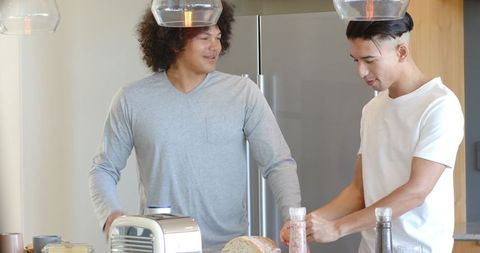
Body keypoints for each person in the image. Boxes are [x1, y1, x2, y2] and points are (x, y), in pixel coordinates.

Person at [88, 1, 301, 252]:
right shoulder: (131, 99)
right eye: (204, 37)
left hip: (230, 247)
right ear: (174, 40)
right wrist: (111, 217)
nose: (215, 47)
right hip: (160, 246)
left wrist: (292, 219)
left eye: (218, 37)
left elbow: (277, 162)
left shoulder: (243, 93)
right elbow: (103, 168)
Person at [280, 12, 464, 253]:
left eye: (369, 59)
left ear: (401, 52)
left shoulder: (439, 105)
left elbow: (416, 191)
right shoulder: (372, 109)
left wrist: (337, 228)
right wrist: (306, 224)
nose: (361, 71)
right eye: (355, 60)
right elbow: (359, 190)